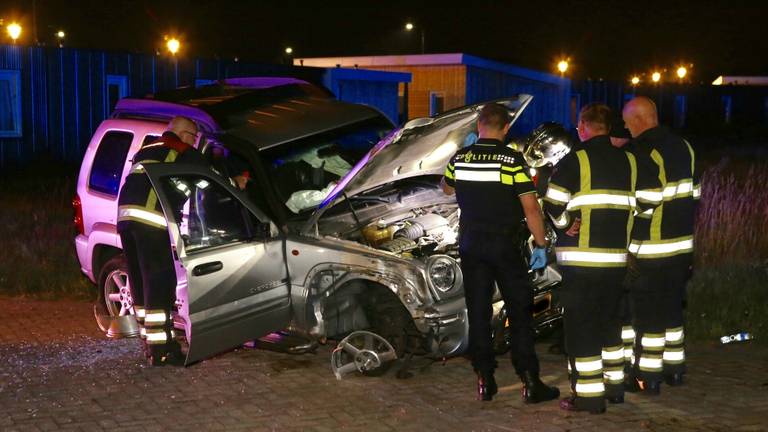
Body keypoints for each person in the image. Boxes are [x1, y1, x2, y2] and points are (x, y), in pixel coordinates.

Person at [441, 103, 560, 403]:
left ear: (478, 126)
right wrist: (541, 245)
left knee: (478, 313)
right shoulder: (511, 160)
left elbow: (444, 188)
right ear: (506, 128)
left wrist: (462, 154)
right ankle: (530, 381)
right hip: (505, 246)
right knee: (520, 313)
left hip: (471, 245)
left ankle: (485, 380)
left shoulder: (461, 158)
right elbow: (530, 208)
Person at [543, 103, 655, 414]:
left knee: (582, 330)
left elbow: (552, 203)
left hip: (581, 263)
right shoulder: (631, 161)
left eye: (579, 126)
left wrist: (566, 223)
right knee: (610, 325)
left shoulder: (575, 159)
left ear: (584, 126)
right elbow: (649, 201)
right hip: (616, 262)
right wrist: (632, 230)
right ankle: (615, 388)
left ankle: (589, 398)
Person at [622, 96, 700, 394]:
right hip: (681, 247)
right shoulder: (685, 146)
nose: (626, 128)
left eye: (627, 122)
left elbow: (647, 200)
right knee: (672, 310)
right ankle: (675, 370)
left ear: (639, 120)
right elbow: (694, 194)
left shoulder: (643, 150)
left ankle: (647, 376)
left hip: (651, 249)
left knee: (648, 316)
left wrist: (626, 232)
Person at [117, 116, 208, 366]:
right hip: (150, 221)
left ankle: (150, 344)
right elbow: (206, 175)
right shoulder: (180, 150)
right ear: (182, 134)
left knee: (141, 281)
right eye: (193, 136)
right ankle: (163, 352)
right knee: (159, 281)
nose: (194, 142)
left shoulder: (146, 150)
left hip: (125, 220)